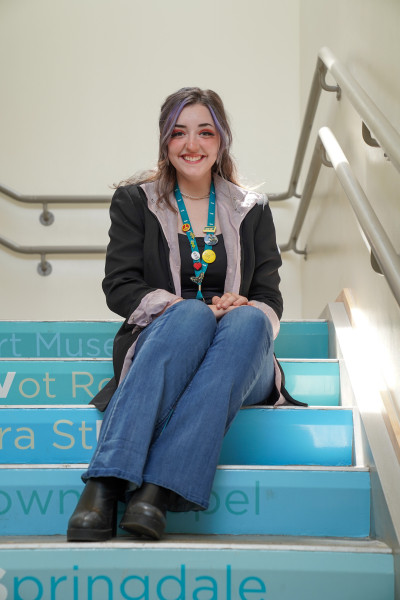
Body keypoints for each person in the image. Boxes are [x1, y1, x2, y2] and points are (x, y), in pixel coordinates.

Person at [67, 87, 303, 543]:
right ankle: (123, 487)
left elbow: (270, 299)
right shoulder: (137, 202)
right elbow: (120, 287)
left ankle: (141, 487)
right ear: (164, 141)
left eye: (204, 132)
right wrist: (182, 308)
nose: (191, 145)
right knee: (192, 318)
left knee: (249, 321)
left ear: (221, 142)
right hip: (165, 344)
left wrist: (244, 304)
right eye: (178, 133)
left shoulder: (252, 209)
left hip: (239, 357)